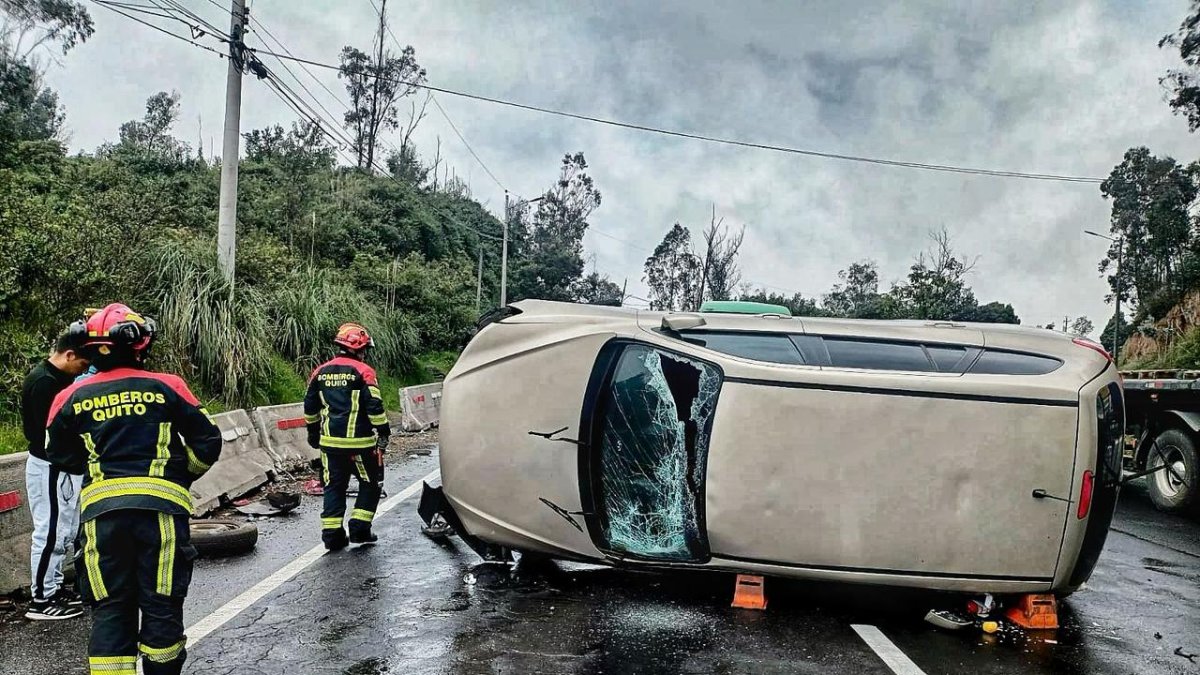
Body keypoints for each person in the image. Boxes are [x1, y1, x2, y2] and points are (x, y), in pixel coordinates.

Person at [44, 303, 223, 675]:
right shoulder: (167, 386)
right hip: (160, 516)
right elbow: (208, 440)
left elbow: (58, 453)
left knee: (110, 608)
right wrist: (180, 477)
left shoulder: (69, 397)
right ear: (140, 344)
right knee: (161, 605)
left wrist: (98, 470)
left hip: (101, 520)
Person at [22, 328, 92, 620]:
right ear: (69, 354)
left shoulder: (59, 379)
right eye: (82, 365)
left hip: (64, 469)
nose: (83, 371)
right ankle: (40, 600)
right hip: (50, 467)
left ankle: (54, 586)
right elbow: (47, 434)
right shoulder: (44, 383)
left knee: (64, 533)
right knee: (49, 533)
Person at [304, 322, 390, 550]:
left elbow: (310, 408)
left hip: (330, 444)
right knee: (371, 483)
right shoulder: (364, 372)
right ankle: (360, 529)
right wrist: (383, 431)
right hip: (360, 444)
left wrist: (313, 434)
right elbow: (375, 407)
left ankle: (332, 536)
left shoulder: (319, 372)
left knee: (334, 486)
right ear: (359, 348)